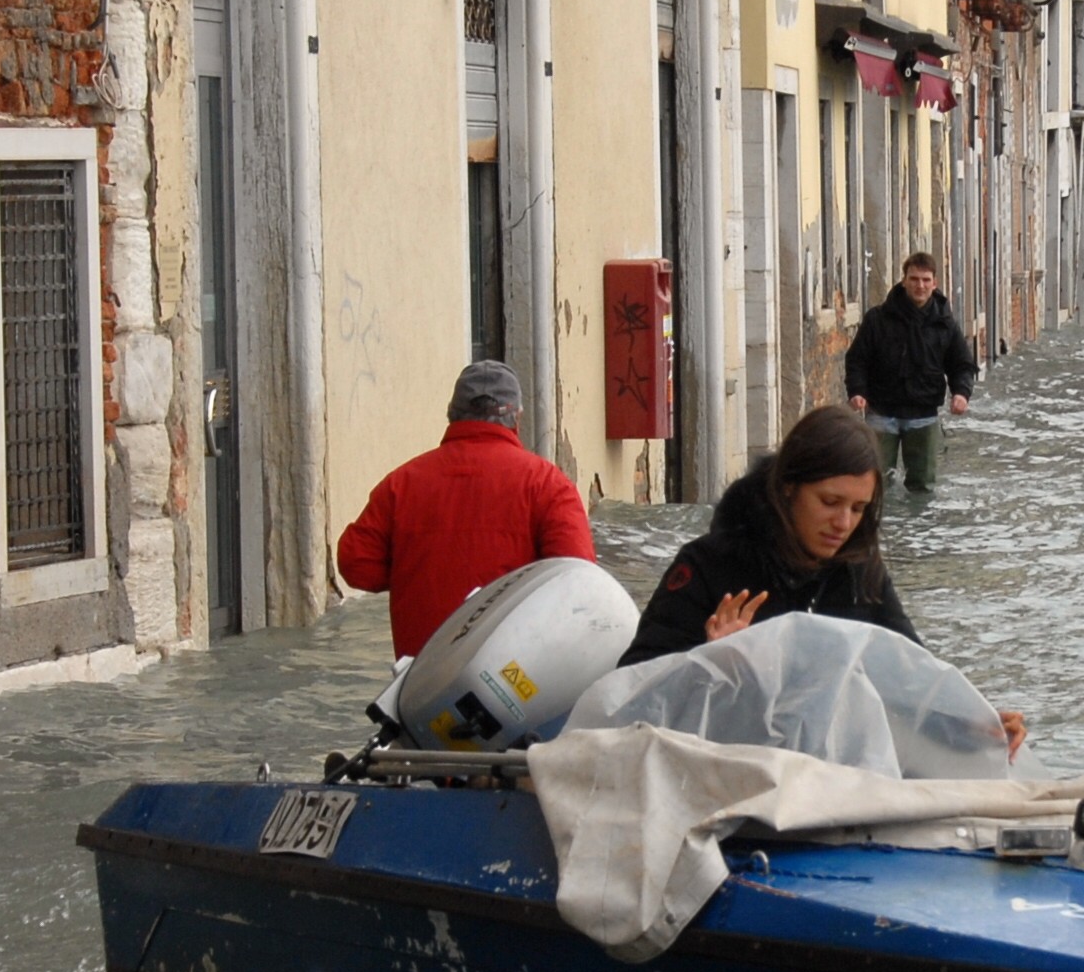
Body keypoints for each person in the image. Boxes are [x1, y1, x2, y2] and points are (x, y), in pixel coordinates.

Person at [623, 405, 1029, 751]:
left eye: (857, 508)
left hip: (831, 775)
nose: (843, 523)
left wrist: (973, 722)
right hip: (726, 770)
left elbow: (911, 673)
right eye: (830, 502)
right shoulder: (708, 566)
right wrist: (709, 663)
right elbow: (631, 694)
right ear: (787, 490)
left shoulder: (859, 569)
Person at [334, 361, 595, 655]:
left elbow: (355, 565)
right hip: (515, 678)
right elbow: (578, 582)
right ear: (516, 418)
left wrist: (414, 572)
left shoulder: (401, 483)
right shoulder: (548, 484)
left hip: (420, 678)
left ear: (451, 414)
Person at [843, 251, 978, 493]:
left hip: (924, 415)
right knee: (874, 486)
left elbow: (962, 364)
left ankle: (920, 529)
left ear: (934, 283)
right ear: (904, 280)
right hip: (881, 413)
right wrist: (857, 390)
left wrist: (961, 393)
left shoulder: (945, 324)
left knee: (923, 487)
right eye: (914, 279)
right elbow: (857, 359)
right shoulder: (877, 319)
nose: (920, 285)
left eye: (926, 280)